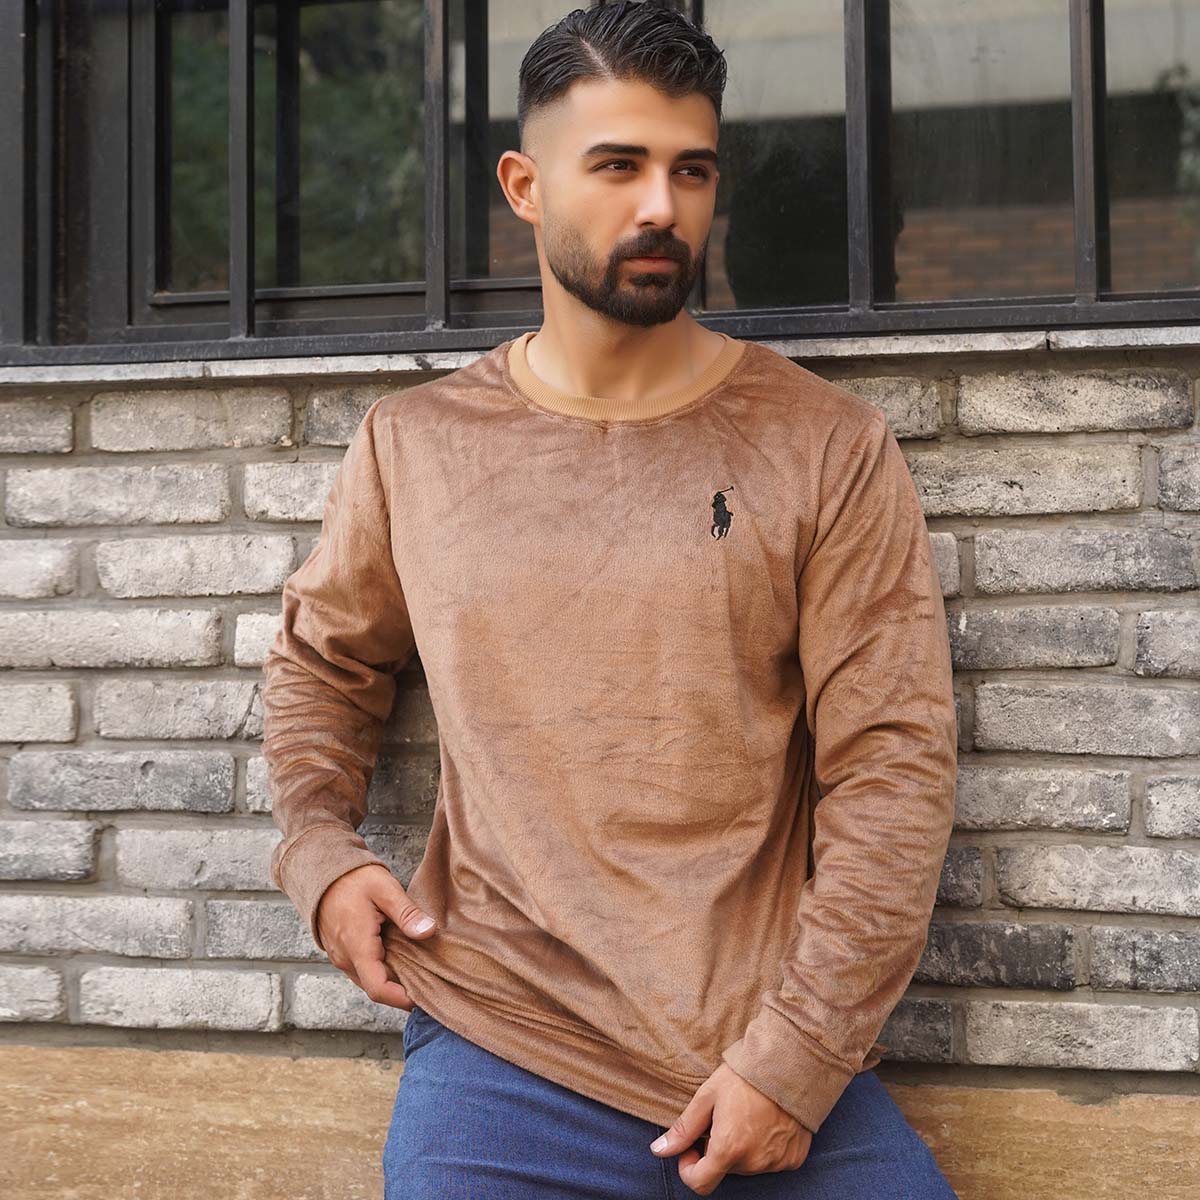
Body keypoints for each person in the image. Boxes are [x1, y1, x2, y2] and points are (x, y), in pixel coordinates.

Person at [260, 3, 960, 1196]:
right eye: (619, 166)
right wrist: (319, 853)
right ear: (525, 186)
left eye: (691, 171)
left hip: (764, 1055)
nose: (661, 207)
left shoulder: (825, 445)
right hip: (502, 1056)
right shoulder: (414, 445)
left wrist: (798, 1058)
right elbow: (325, 662)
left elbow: (893, 766)